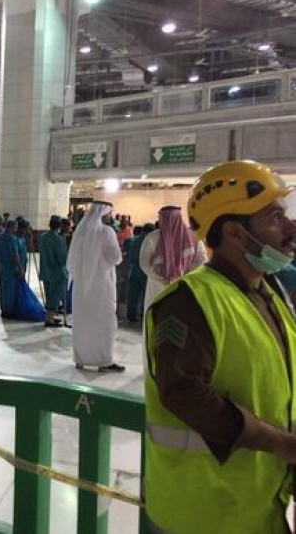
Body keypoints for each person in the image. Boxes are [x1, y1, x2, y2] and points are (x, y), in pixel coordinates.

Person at [145, 160, 296, 534]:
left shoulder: (269, 293)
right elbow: (182, 391)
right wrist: (281, 444)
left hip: (258, 505)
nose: (291, 227)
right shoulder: (189, 302)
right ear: (236, 234)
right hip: (204, 513)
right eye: (275, 217)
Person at [66, 201, 124, 372]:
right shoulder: (106, 232)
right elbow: (115, 258)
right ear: (104, 213)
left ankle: (81, 358)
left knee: (83, 321)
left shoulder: (81, 231)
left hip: (81, 287)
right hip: (101, 287)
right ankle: (104, 360)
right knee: (103, 322)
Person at [140, 205, 207, 313]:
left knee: (157, 316)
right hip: (182, 284)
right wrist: (184, 275)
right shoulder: (194, 237)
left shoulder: (152, 237)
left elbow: (144, 263)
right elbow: (202, 261)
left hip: (159, 285)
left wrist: (161, 277)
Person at [38, 215, 68, 327]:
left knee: (49, 295)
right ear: (59, 226)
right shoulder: (58, 240)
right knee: (55, 297)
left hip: (45, 271)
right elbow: (63, 259)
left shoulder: (43, 237)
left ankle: (50, 316)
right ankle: (49, 319)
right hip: (57, 273)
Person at [124, 223, 154, 322]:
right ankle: (143, 315)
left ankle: (130, 314)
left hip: (134, 270)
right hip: (146, 271)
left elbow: (129, 254)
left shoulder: (134, 240)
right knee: (146, 295)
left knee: (133, 295)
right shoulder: (150, 240)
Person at [0, 220, 22, 319]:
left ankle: (3, 309)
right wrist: (20, 268)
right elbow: (15, 255)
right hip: (10, 267)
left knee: (3, 289)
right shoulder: (12, 239)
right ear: (12, 227)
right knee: (10, 290)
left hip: (2, 266)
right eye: (16, 227)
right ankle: (9, 310)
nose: (16, 229)